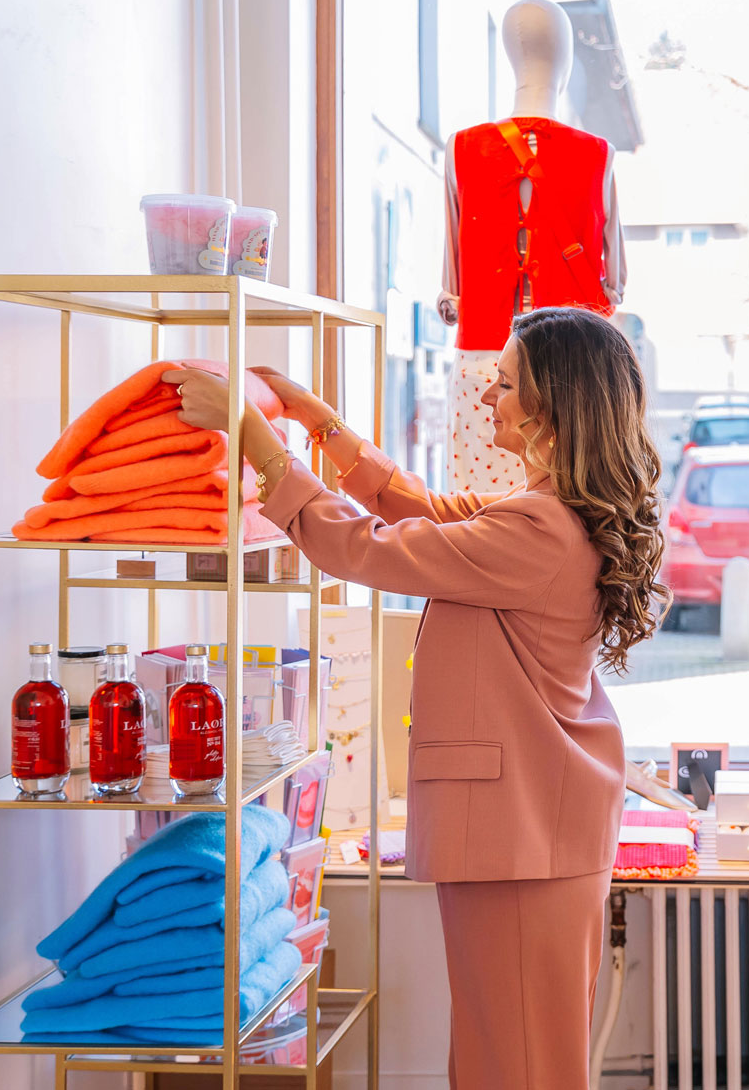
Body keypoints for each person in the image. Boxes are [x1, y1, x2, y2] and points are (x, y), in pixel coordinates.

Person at [164, 306, 668, 1088]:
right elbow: (424, 511)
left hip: (526, 839)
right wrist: (316, 419)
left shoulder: (539, 530)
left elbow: (362, 547)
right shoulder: (543, 515)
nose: (486, 399)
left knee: (517, 1067)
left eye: (503, 384)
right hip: (530, 833)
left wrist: (258, 441)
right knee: (505, 1060)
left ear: (554, 406)